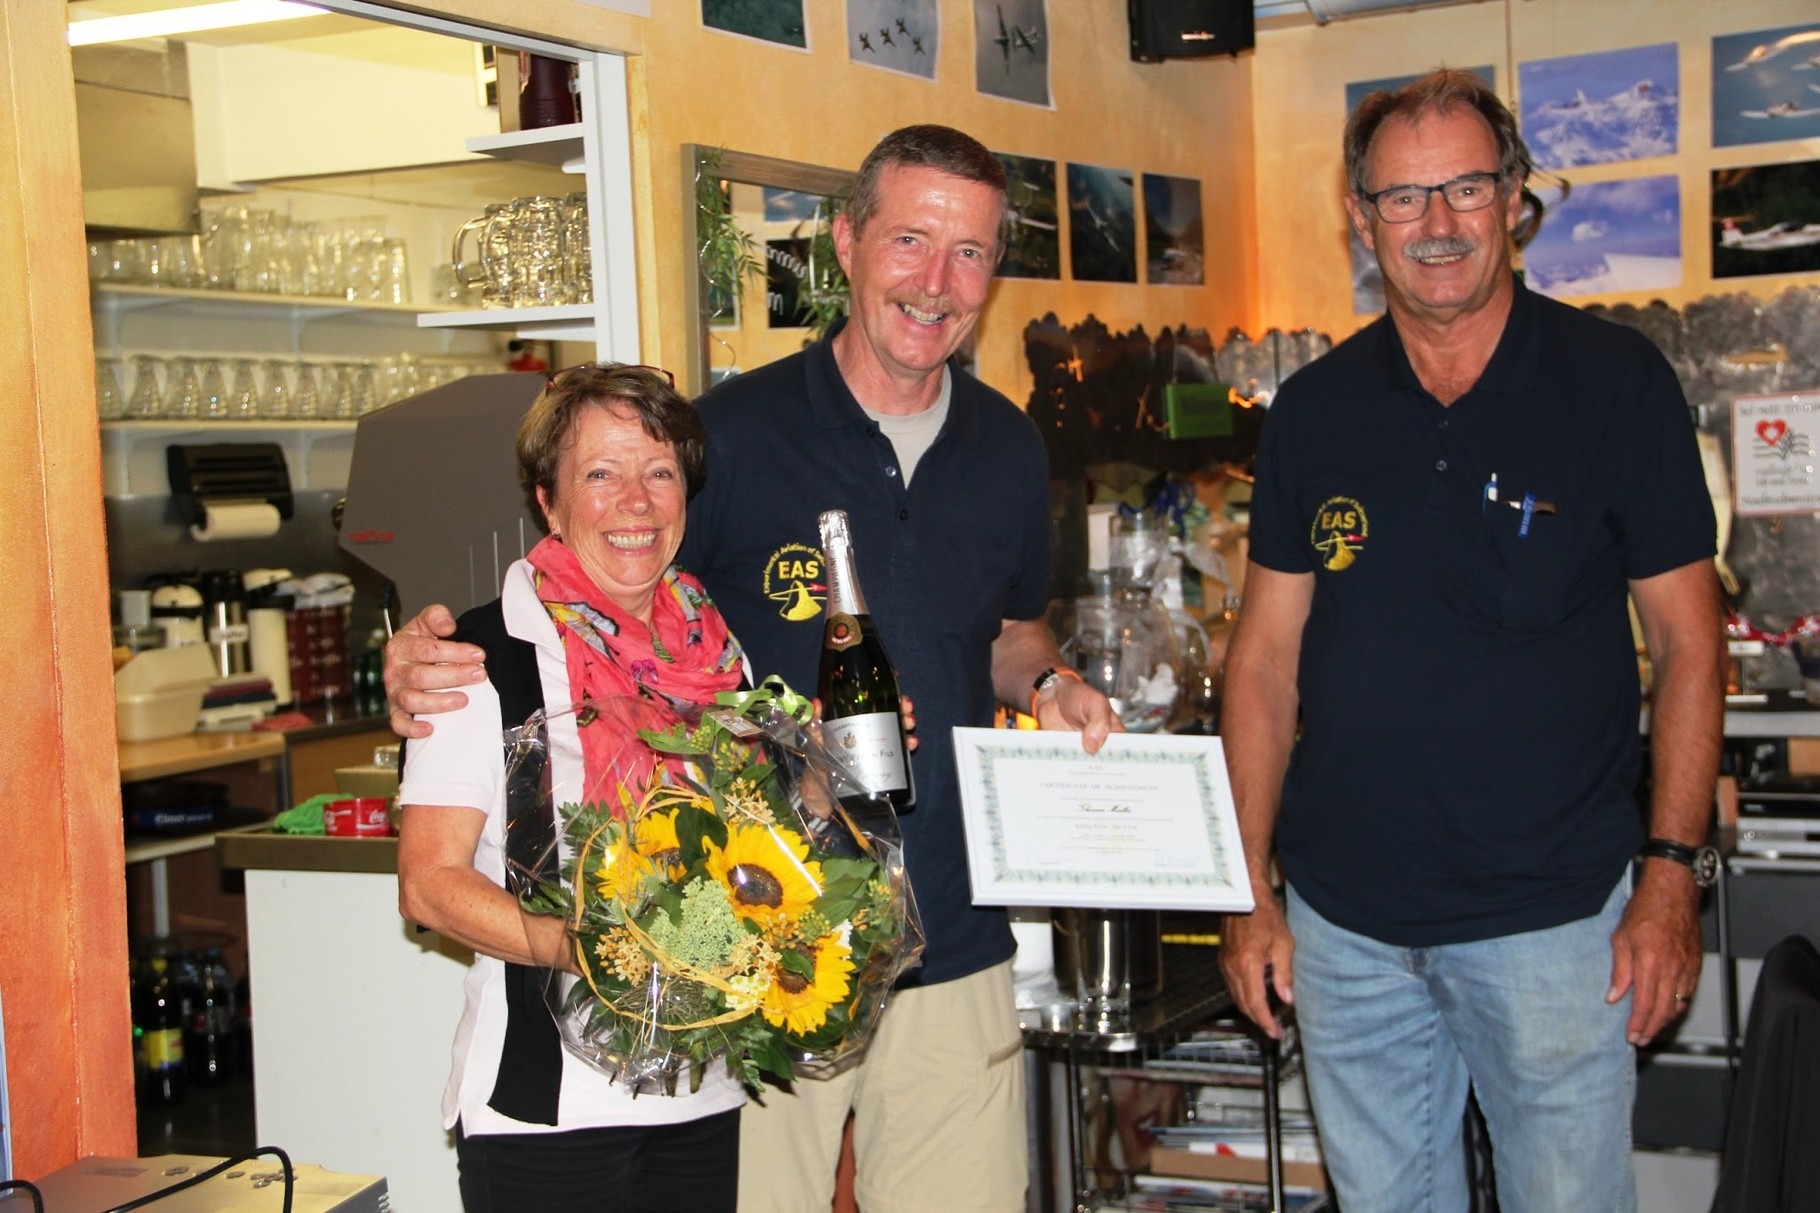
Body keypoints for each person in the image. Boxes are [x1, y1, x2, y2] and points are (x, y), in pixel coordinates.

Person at [384, 125, 1119, 1213]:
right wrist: (422, 654)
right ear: (847, 242)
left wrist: (1053, 685)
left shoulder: (1010, 447)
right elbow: (605, 590)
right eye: (909, 240)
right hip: (762, 948)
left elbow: (1012, 635)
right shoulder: (726, 436)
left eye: (969, 252)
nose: (936, 280)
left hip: (955, 932)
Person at [1216, 69, 1725, 1213]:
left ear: (1512, 197)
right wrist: (1246, 888)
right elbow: (1263, 661)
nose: (1435, 223)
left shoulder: (1614, 384)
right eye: (1402, 197)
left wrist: (1666, 876)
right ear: (1359, 217)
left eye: (1463, 188)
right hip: (1345, 931)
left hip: (1555, 924)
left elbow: (1689, 646)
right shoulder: (1313, 411)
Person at [395, 364, 749, 1213]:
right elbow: (429, 884)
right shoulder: (479, 658)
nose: (637, 501)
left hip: (702, 1091)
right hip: (547, 1107)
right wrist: (592, 949)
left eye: (659, 471)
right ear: (547, 502)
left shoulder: (716, 653)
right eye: (601, 473)